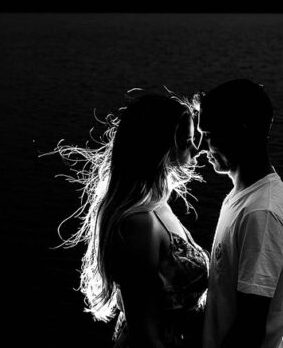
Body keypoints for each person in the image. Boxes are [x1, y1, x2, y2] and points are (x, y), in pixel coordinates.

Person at [53, 91, 209, 348]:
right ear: (161, 148)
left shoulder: (159, 207)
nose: (197, 149)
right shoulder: (140, 224)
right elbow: (143, 332)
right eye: (187, 141)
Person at [196, 79, 283, 348]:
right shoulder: (243, 198)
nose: (201, 147)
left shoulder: (262, 214)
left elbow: (249, 329)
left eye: (208, 135)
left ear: (240, 132)